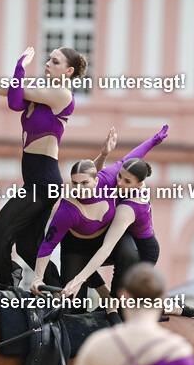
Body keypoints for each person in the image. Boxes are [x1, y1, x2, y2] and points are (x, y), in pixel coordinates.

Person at [0, 46, 86, 286]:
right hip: (34, 180)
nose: (48, 63)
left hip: (44, 182)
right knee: (28, 249)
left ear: (68, 71)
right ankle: (63, 296)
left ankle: (6, 291)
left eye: (55, 61)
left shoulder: (62, 95)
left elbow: (15, 98)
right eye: (49, 59)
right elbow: (15, 97)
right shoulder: (40, 95)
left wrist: (20, 66)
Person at [33, 127, 168, 304]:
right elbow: (48, 244)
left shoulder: (111, 180)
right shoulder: (67, 209)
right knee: (74, 306)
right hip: (77, 248)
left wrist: (152, 141)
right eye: (75, 183)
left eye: (85, 183)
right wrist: (37, 278)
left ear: (96, 180)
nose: (79, 189)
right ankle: (101, 292)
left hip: (104, 243)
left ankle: (114, 302)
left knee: (128, 252)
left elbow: (132, 157)